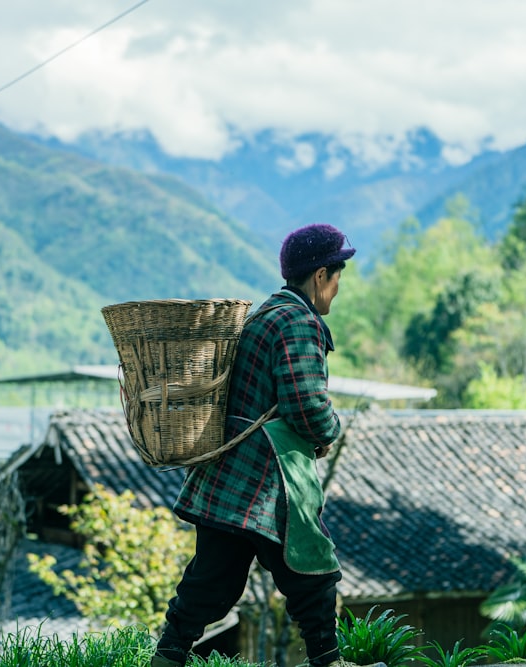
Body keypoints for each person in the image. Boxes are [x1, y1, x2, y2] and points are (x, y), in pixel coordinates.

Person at [151, 224, 384, 667]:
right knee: (312, 570)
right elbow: (306, 404)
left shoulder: (266, 313)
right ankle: (328, 662)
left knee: (211, 580)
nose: (337, 289)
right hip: (267, 478)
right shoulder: (298, 322)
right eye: (337, 278)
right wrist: (329, 432)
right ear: (320, 276)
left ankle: (167, 657)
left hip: (227, 476)